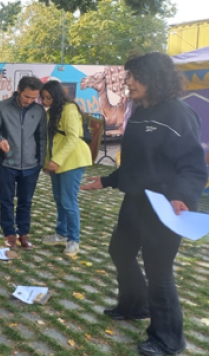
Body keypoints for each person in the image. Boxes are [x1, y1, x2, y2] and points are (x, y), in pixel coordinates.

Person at [81, 52, 207, 356]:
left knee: (159, 270)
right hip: (136, 200)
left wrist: (182, 196)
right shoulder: (137, 112)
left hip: (165, 207)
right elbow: (135, 163)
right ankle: (135, 306)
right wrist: (108, 180)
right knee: (120, 251)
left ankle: (168, 339)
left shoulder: (178, 114)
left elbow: (193, 166)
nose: (129, 83)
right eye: (128, 76)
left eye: (136, 77)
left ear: (156, 78)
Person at [0, 76, 47, 250]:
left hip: (31, 165)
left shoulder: (39, 111)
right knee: (6, 200)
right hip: (6, 163)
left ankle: (24, 233)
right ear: (19, 90)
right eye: (27, 96)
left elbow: (42, 137)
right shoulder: (2, 107)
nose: (30, 101)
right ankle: (9, 234)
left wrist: (40, 161)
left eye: (34, 98)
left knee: (25, 201)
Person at [40, 81, 92, 257]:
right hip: (57, 161)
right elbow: (50, 139)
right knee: (59, 199)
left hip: (73, 160)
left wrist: (56, 160)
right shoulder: (52, 111)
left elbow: (72, 138)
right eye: (43, 98)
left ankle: (73, 240)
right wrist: (47, 162)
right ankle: (61, 233)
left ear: (57, 95)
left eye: (49, 97)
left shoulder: (69, 109)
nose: (45, 101)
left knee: (68, 201)